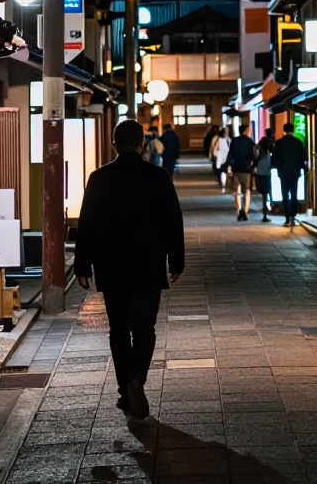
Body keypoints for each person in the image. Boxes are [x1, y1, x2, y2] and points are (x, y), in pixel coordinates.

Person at [75, 119, 184, 419]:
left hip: (111, 266)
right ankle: (137, 377)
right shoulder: (158, 176)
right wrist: (176, 261)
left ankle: (126, 389)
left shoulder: (99, 178)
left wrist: (82, 265)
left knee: (119, 329)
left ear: (113, 145)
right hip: (148, 265)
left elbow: (87, 225)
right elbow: (173, 221)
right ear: (142, 145)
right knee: (145, 328)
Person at [271, 122, 309, 227]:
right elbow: (303, 158)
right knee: (294, 193)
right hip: (295, 172)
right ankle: (293, 216)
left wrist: (275, 166)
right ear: (293, 130)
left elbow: (274, 158)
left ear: (284, 130)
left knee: (284, 193)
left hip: (283, 172)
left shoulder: (279, 143)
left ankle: (287, 217)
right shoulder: (298, 142)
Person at [227, 121, 257, 221]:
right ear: (246, 131)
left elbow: (230, 155)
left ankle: (239, 209)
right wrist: (252, 165)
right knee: (247, 191)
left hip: (236, 168)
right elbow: (254, 156)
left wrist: (229, 166)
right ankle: (245, 211)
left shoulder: (234, 141)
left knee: (237, 191)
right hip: (246, 170)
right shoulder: (250, 142)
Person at [255, 140, 273, 223]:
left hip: (260, 176)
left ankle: (265, 215)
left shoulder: (259, 157)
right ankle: (265, 214)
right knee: (267, 195)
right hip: (267, 176)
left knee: (264, 196)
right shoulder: (268, 157)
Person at [211, 126, 231, 192]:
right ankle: (225, 184)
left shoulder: (217, 140)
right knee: (226, 171)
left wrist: (217, 154)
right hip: (227, 158)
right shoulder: (228, 140)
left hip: (220, 159)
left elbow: (214, 151)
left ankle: (223, 185)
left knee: (222, 172)